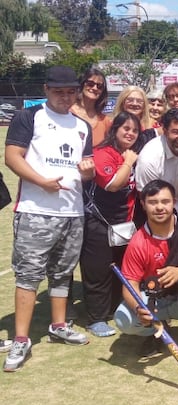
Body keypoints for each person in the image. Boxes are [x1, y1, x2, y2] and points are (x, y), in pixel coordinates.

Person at [3, 65, 95, 372]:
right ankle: (21, 338)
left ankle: (58, 325)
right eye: (59, 91)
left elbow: (87, 166)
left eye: (71, 91)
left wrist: (88, 171)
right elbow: (13, 156)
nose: (65, 97)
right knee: (29, 275)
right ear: (46, 90)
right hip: (35, 210)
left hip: (73, 212)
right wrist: (41, 181)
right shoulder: (28, 118)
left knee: (62, 273)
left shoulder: (83, 126)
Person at [114, 180, 178, 357]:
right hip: (155, 300)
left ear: (174, 202)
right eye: (153, 202)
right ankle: (155, 332)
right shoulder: (138, 241)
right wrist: (139, 309)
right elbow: (130, 284)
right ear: (143, 204)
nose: (160, 207)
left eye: (165, 201)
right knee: (123, 318)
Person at [80, 112, 141, 338]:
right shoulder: (103, 153)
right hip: (99, 222)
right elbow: (113, 184)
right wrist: (127, 162)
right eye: (125, 128)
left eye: (134, 130)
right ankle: (96, 318)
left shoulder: (132, 154)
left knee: (122, 269)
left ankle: (116, 307)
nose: (130, 133)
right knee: (98, 270)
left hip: (123, 224)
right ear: (114, 129)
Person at [134, 108, 178, 217]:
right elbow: (148, 199)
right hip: (153, 209)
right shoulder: (149, 157)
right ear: (165, 131)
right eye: (176, 132)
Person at [70, 67, 112, 146]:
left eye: (99, 86)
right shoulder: (67, 113)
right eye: (90, 84)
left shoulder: (105, 121)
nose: (95, 88)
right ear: (82, 84)